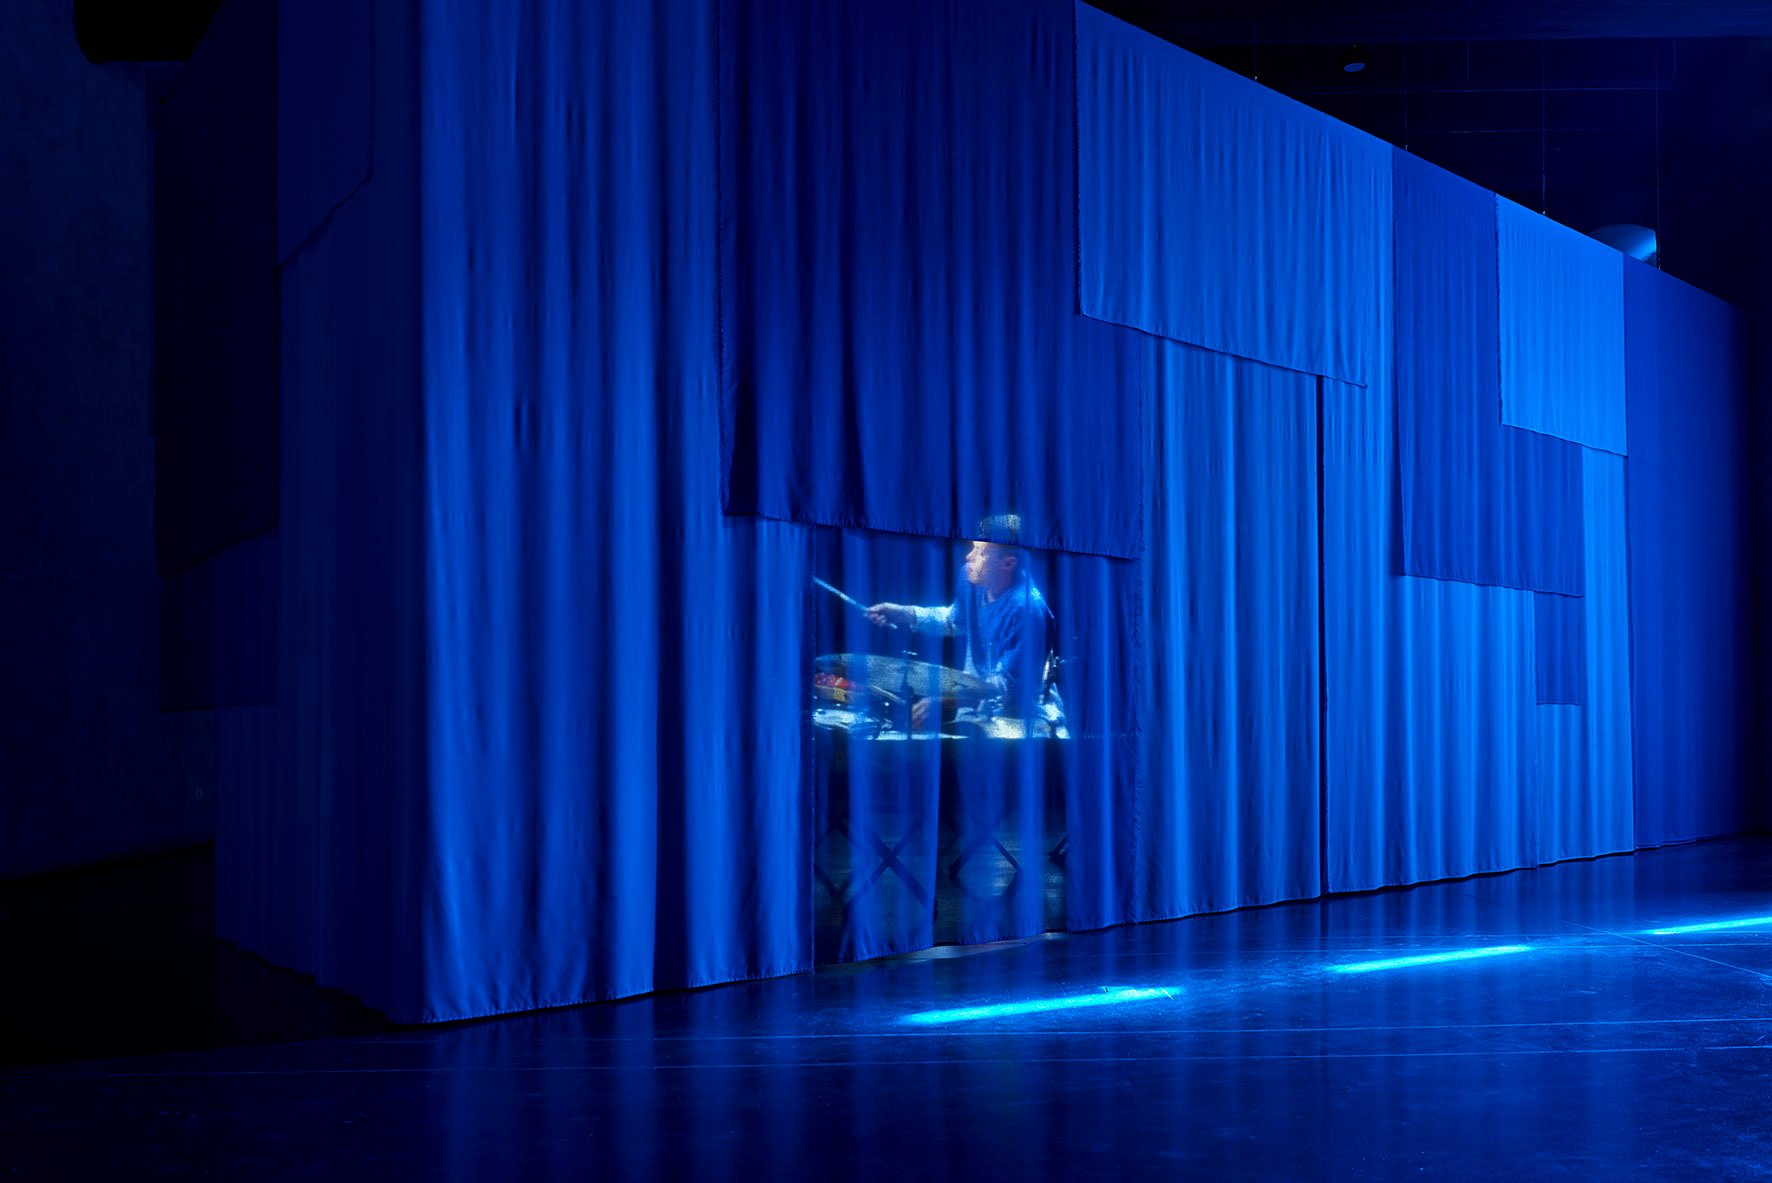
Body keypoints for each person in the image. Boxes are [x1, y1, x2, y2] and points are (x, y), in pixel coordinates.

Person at [866, 515, 1057, 733]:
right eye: (973, 548)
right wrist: (903, 614)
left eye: (981, 552)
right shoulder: (971, 578)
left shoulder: (1028, 610)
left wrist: (945, 702)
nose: (969, 557)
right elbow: (953, 622)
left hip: (1020, 721)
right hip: (974, 713)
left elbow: (1007, 689)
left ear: (1008, 563)